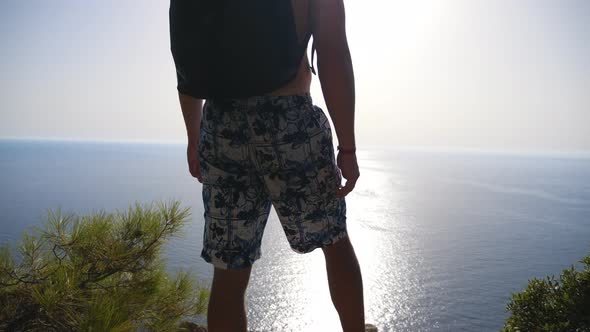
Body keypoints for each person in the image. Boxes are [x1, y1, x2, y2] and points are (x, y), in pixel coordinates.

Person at [170, 0, 364, 331]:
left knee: (229, 270)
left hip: (222, 127)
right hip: (290, 122)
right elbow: (332, 52)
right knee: (334, 241)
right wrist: (347, 147)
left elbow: (187, 56)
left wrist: (195, 135)